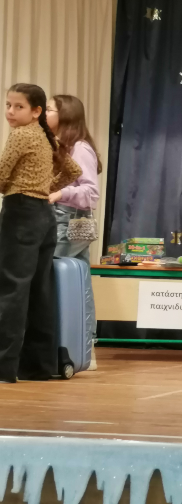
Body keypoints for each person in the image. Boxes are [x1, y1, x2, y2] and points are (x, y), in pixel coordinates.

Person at [0, 84, 81, 383]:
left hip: (21, 212)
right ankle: (37, 367)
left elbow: (1, 174)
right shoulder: (46, 136)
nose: (10, 112)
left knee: (11, 289)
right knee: (39, 290)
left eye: (18, 106)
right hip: (45, 216)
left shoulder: (21, 134)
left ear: (36, 111)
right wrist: (44, 188)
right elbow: (73, 171)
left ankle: (3, 367)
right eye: (8, 105)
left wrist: (22, 187)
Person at [47, 95, 101, 371]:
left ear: (65, 115)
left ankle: (76, 347)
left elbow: (91, 192)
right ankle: (83, 348)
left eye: (49, 109)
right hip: (62, 219)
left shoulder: (80, 148)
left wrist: (61, 193)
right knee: (79, 281)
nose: (45, 113)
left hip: (68, 220)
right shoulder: (60, 145)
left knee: (57, 278)